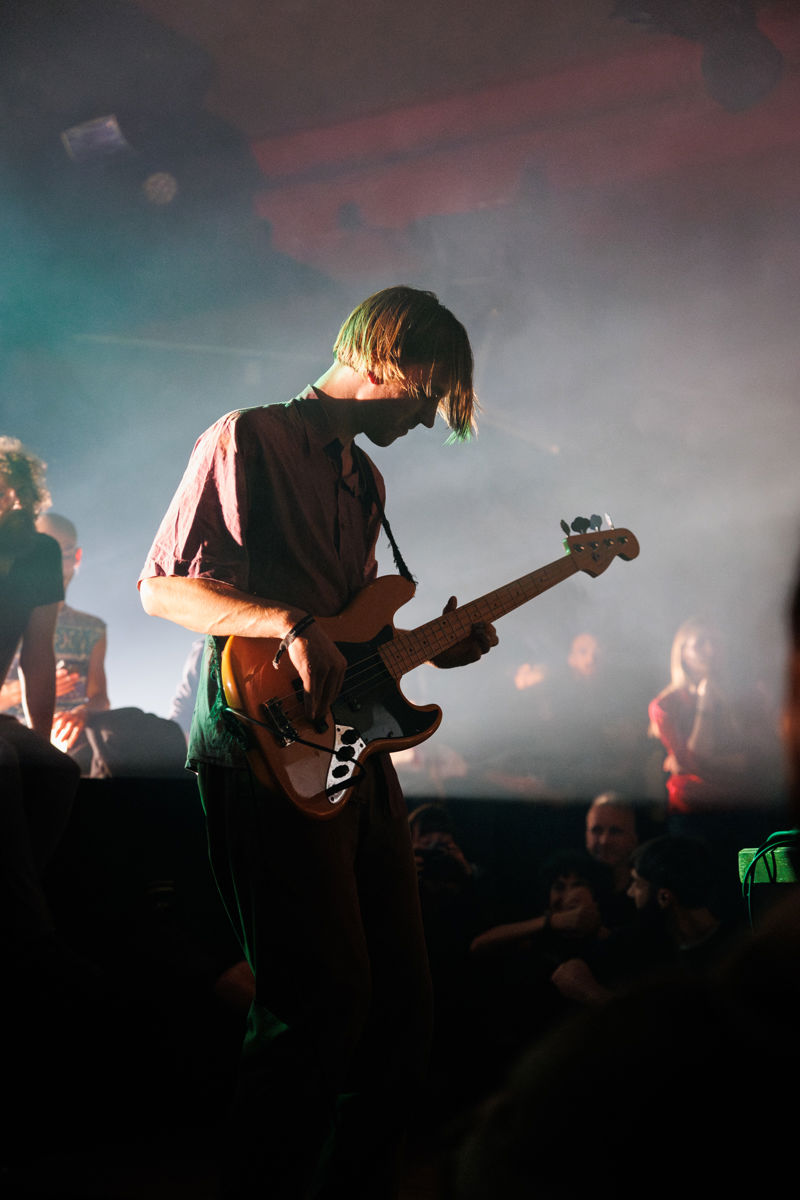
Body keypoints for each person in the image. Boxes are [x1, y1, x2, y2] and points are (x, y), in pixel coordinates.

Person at [137, 286, 498, 1199]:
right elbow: (162, 589)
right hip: (256, 742)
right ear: (389, 360)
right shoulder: (247, 438)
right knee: (315, 1001)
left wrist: (429, 650)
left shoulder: (366, 482)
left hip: (352, 752)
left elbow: (356, 643)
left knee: (402, 1010)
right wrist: (287, 619)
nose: (424, 420)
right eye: (427, 396)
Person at [0, 438, 81, 969]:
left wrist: (42, 733)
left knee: (57, 772)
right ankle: (31, 936)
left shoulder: (38, 552)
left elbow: (37, 656)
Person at [1, 512, 110, 772]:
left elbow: (100, 697)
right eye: (51, 550)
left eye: (66, 552)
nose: (57, 563)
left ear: (77, 557)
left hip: (73, 741)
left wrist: (81, 714)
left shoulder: (93, 628)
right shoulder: (11, 615)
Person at [584, 791, 640, 926]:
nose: (604, 841)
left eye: (615, 831)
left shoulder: (646, 898)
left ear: (633, 838)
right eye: (597, 830)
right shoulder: (569, 888)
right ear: (586, 836)